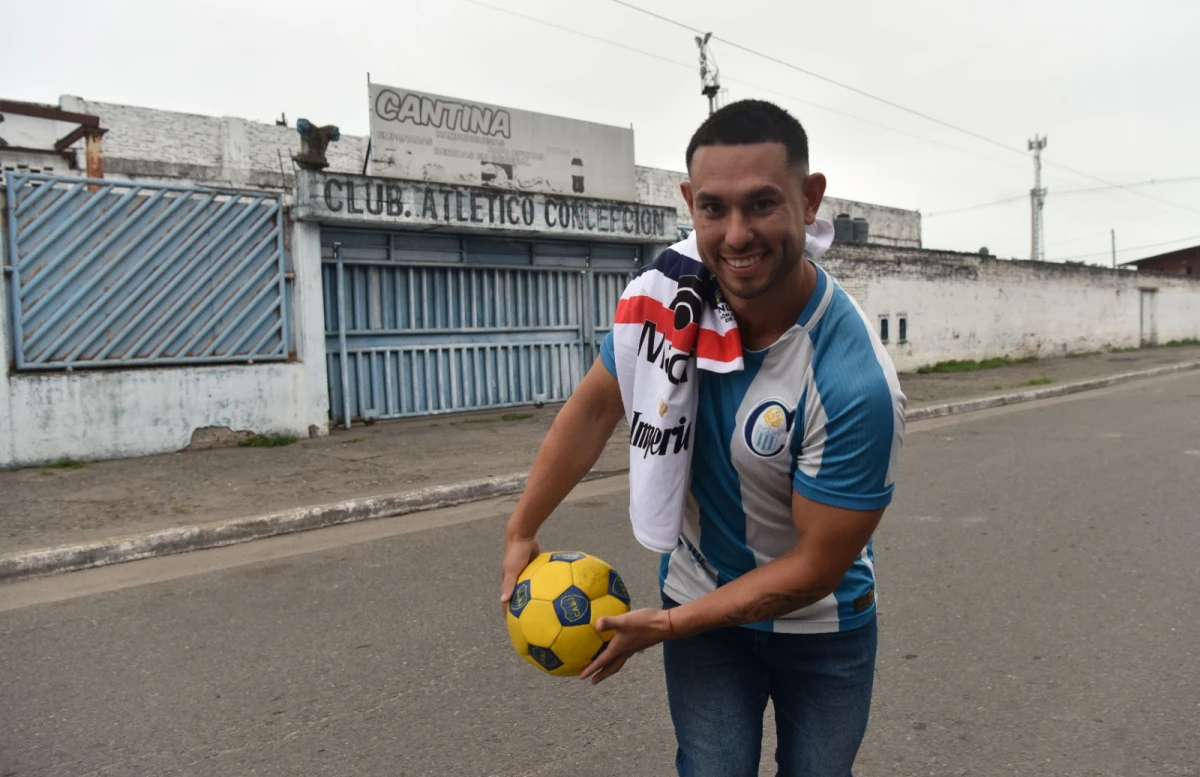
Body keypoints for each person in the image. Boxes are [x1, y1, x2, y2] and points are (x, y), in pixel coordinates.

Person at [499, 99, 906, 777]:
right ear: (689, 202)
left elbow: (815, 567)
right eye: (714, 207)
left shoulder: (852, 381)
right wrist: (521, 527)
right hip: (700, 600)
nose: (736, 234)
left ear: (810, 201)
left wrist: (664, 625)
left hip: (824, 627)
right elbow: (600, 404)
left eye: (762, 205)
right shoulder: (669, 295)